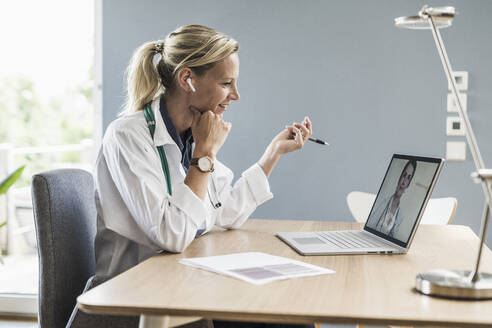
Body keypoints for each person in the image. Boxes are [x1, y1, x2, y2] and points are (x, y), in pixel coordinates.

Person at [69, 25, 315, 328]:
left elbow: (222, 213)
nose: (236, 96)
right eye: (226, 83)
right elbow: (171, 235)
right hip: (134, 296)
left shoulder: (191, 136)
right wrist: (204, 156)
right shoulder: (127, 137)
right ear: (187, 79)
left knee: (287, 315)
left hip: (184, 282)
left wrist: (273, 153)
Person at [372, 160, 417, 237]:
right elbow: (370, 227)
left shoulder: (400, 216)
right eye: (404, 175)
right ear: (399, 178)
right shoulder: (383, 201)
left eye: (408, 178)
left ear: (408, 184)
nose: (404, 181)